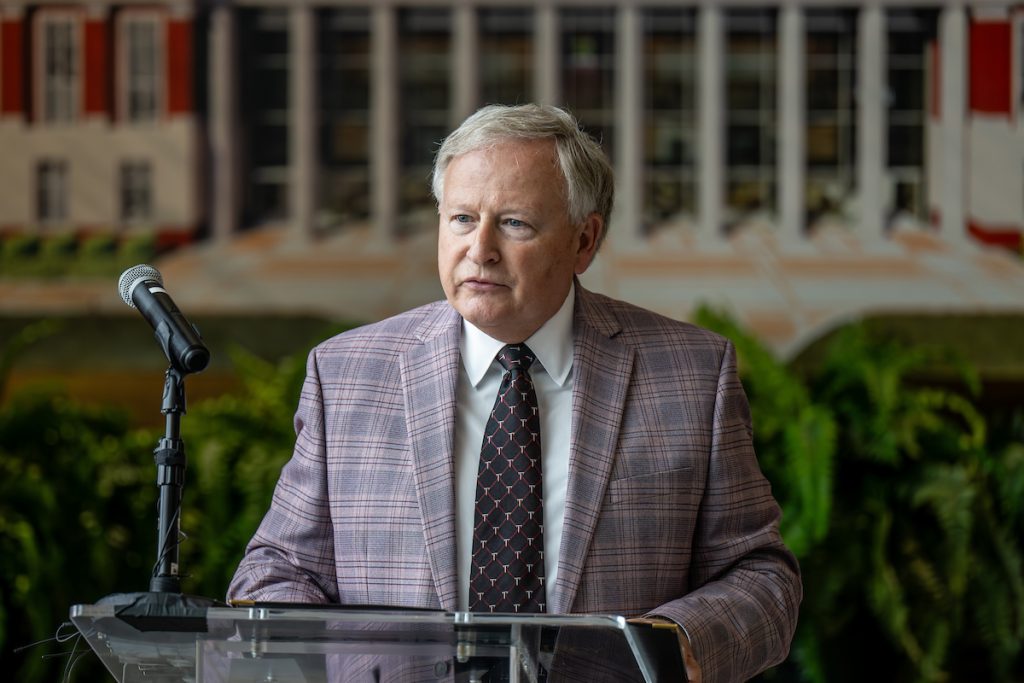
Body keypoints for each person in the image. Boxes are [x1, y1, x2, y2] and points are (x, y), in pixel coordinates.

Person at [228, 103, 802, 682]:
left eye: (514, 223)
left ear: (585, 241)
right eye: (460, 219)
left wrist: (672, 648)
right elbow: (279, 568)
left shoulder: (691, 373)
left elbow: (761, 577)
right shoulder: (347, 374)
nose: (480, 249)